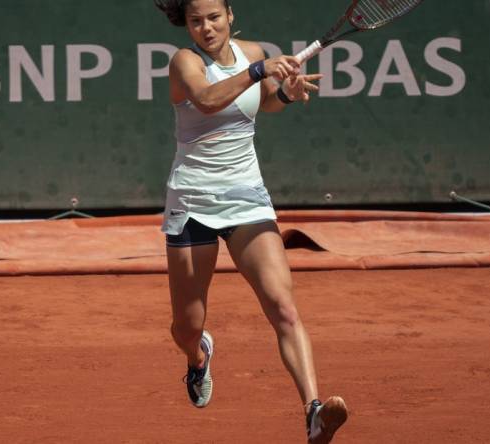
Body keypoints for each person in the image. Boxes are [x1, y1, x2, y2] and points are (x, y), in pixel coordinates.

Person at [153, 0, 348, 442]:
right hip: (192, 202)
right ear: (186, 25)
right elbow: (206, 100)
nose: (206, 28)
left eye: (214, 17)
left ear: (230, 15)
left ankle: (313, 412)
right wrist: (261, 73)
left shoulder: (252, 51)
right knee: (187, 326)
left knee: (283, 306)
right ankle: (198, 357)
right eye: (196, 21)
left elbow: (260, 104)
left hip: (247, 199)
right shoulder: (185, 62)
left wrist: (285, 94)